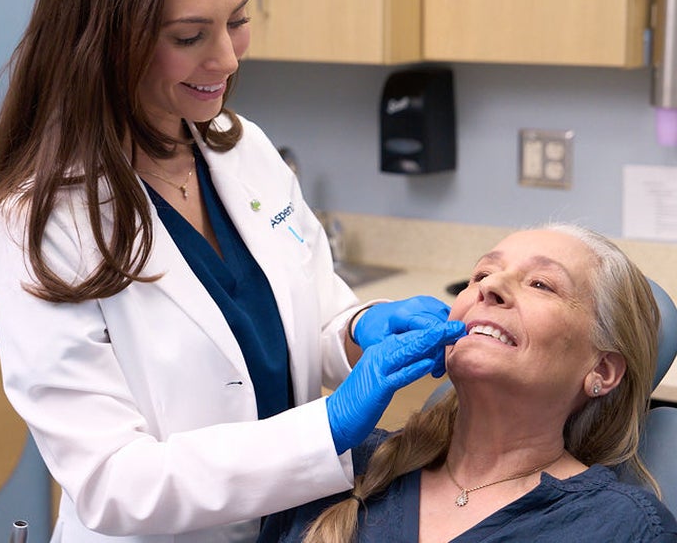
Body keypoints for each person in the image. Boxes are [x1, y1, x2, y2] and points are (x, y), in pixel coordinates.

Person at [0, 0, 465, 543]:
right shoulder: (42, 225)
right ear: (109, 39)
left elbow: (308, 313)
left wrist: (360, 328)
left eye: (237, 20)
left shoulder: (242, 149)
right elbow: (116, 483)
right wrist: (329, 425)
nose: (225, 58)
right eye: (190, 35)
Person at [259, 224, 677, 542]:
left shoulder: (621, 526)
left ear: (602, 371)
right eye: (480, 275)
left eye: (540, 284)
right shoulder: (338, 469)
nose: (489, 287)